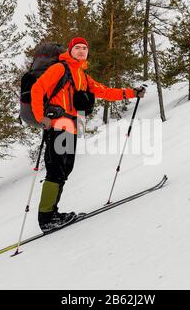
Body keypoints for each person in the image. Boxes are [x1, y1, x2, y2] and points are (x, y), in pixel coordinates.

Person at [31, 37, 146, 232]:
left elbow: (105, 91)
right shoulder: (60, 68)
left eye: (85, 48)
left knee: (65, 170)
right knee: (56, 170)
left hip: (71, 128)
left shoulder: (82, 75)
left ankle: (53, 214)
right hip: (58, 125)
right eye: (78, 48)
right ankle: (46, 218)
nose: (82, 51)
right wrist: (41, 117)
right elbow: (37, 89)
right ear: (70, 50)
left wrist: (131, 93)